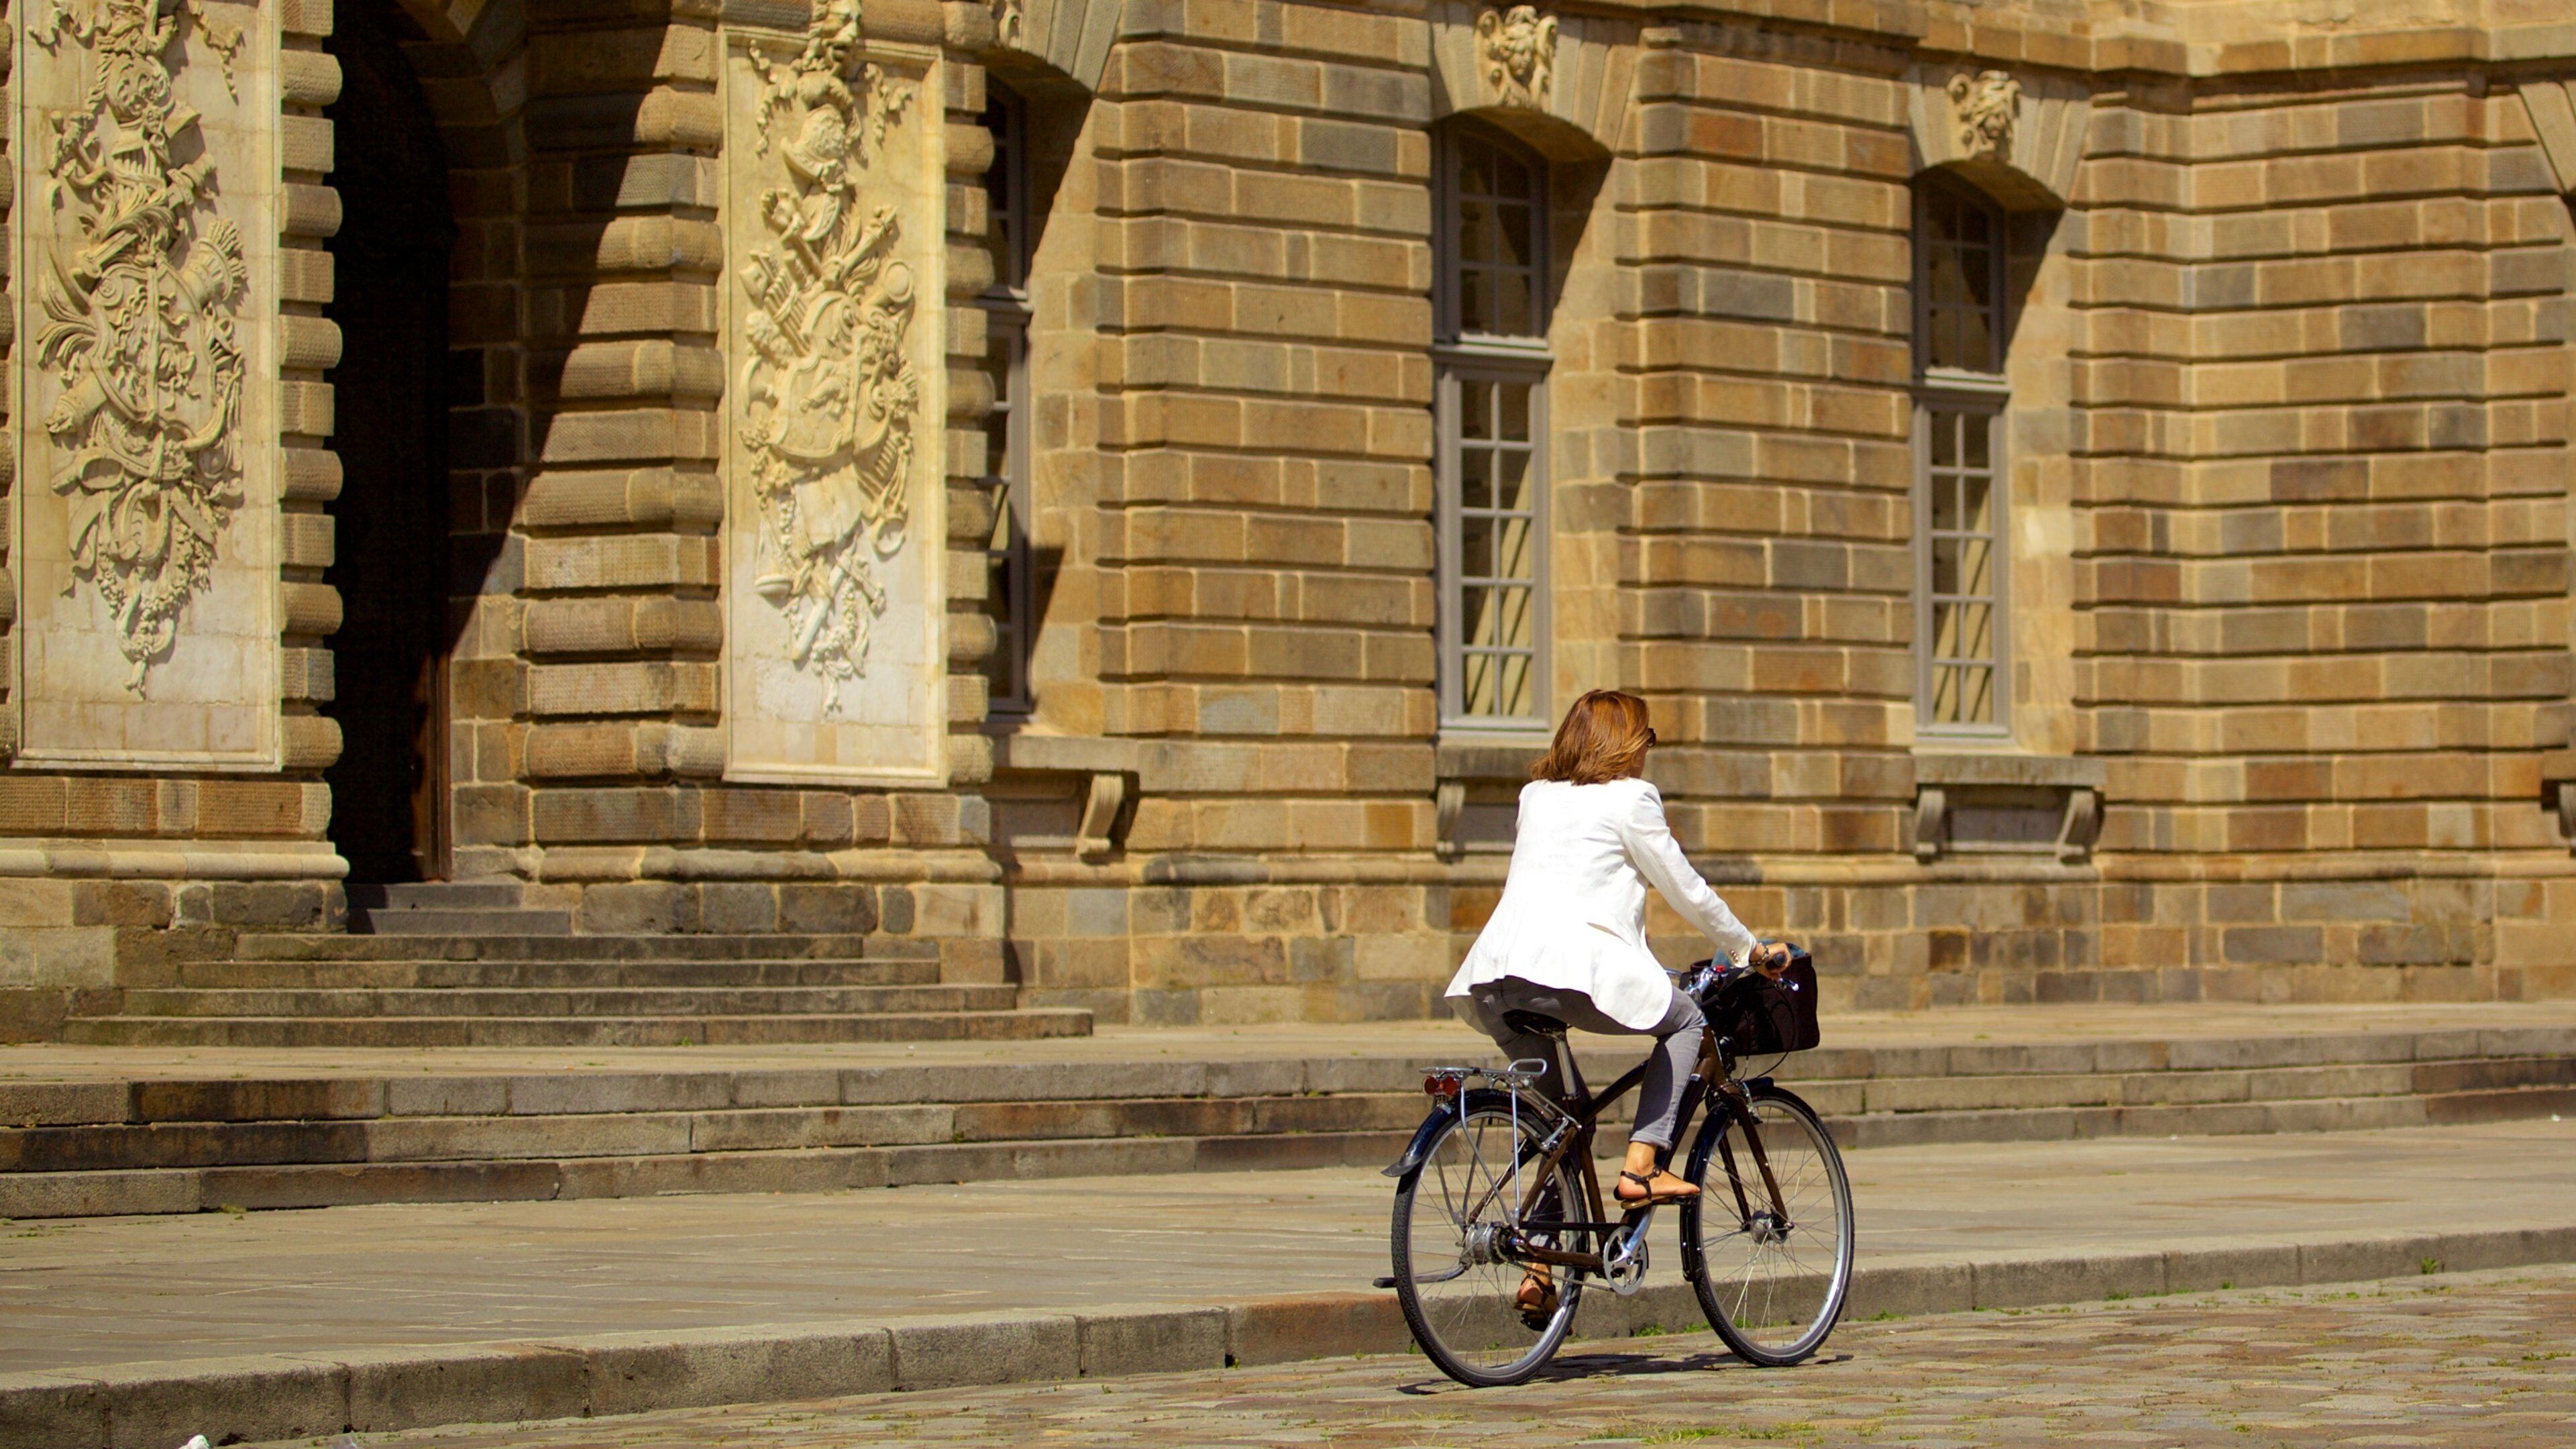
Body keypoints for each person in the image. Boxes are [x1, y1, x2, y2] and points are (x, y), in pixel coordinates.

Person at [1444, 689, 1789, 1317]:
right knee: (1686, 1021)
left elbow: (1573, 891)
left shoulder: (1536, 797)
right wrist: (1747, 948)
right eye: (1645, 741)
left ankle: (1541, 1265)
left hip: (1498, 977)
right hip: (1574, 973)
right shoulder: (1631, 798)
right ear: (1629, 743)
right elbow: (1684, 886)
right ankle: (1641, 1166)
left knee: (1559, 1119)